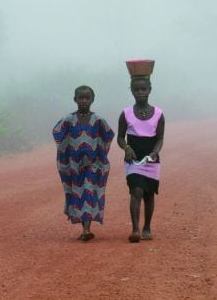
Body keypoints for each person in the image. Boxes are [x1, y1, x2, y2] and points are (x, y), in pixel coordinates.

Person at [52, 85, 115, 241]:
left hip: (93, 165)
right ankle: (84, 228)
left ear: (93, 99)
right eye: (81, 97)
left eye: (87, 98)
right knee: (77, 194)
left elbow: (108, 136)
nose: (84, 100)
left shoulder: (98, 120)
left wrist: (98, 154)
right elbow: (58, 134)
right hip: (74, 166)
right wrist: (69, 154)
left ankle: (87, 230)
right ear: (75, 99)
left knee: (88, 191)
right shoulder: (68, 120)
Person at [118, 60, 164, 243]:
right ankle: (135, 229)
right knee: (136, 191)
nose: (140, 93)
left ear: (150, 90)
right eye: (136, 90)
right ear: (131, 91)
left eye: (143, 89)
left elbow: (160, 139)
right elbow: (120, 138)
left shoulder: (159, 114)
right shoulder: (126, 113)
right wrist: (127, 148)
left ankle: (147, 227)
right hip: (133, 159)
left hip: (152, 159)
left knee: (149, 194)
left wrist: (154, 152)